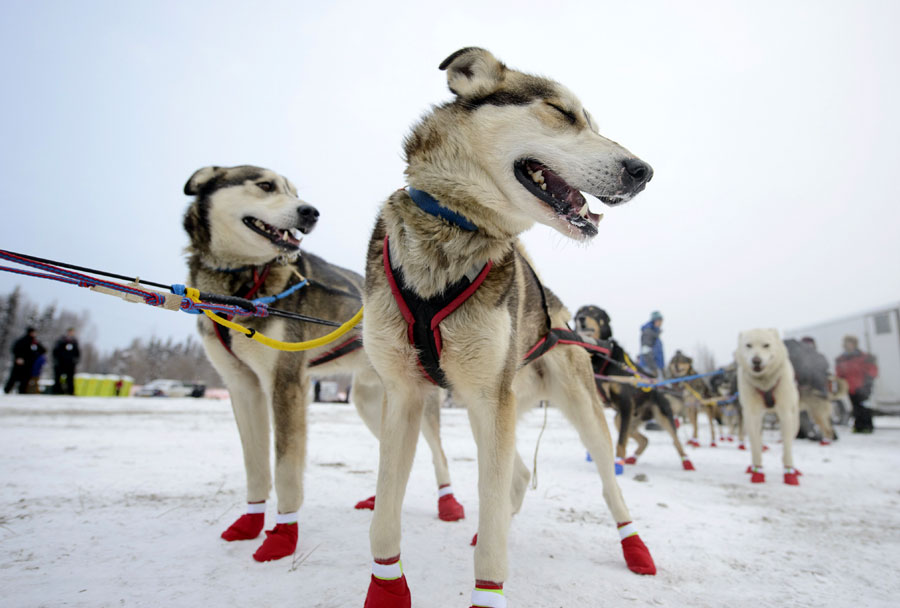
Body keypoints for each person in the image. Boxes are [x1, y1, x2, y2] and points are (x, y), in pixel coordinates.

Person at [835, 335, 878, 434]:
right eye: (846, 343)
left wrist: (868, 382)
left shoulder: (864, 357)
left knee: (865, 407)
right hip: (850, 387)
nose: (847, 345)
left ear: (854, 344)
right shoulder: (842, 359)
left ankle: (867, 426)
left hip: (863, 386)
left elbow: (872, 370)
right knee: (855, 408)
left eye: (850, 343)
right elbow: (839, 373)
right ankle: (858, 426)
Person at [4, 327, 46, 394]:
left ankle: (22, 391)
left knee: (25, 379)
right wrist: (18, 358)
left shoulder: (34, 342)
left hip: (29, 364)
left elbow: (43, 350)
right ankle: (7, 390)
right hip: (20, 363)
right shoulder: (22, 341)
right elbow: (15, 349)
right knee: (14, 377)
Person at [52, 328, 80, 395]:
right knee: (58, 377)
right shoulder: (61, 340)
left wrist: (76, 360)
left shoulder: (74, 341)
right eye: (70, 332)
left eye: (72, 332)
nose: (71, 333)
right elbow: (56, 351)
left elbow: (77, 352)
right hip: (61, 362)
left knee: (70, 378)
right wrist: (56, 360)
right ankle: (57, 391)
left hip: (70, 363)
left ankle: (70, 391)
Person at [638, 311, 664, 377]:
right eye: (660, 320)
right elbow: (645, 351)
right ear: (655, 321)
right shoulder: (648, 332)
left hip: (656, 366)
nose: (661, 322)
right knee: (653, 386)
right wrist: (654, 369)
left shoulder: (654, 333)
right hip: (649, 368)